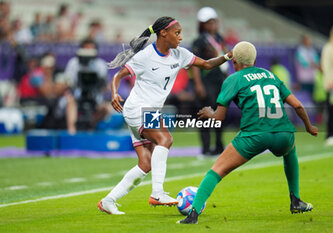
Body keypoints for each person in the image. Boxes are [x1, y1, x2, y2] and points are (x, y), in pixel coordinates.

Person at [97, 16, 233, 215]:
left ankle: (108, 201)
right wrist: (114, 92)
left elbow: (206, 64)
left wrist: (228, 56)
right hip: (138, 108)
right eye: (177, 33)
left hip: (148, 111)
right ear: (163, 33)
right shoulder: (145, 56)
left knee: (145, 163)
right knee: (165, 139)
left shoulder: (180, 54)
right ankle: (157, 193)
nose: (180, 37)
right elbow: (119, 75)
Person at [178, 41, 318, 224]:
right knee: (290, 152)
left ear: (234, 61)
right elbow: (297, 105)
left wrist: (209, 113)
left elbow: (218, 118)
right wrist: (308, 126)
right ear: (254, 59)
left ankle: (193, 214)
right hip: (283, 132)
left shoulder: (233, 79)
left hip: (254, 134)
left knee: (217, 170)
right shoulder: (270, 75)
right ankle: (296, 200)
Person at [192, 7, 229, 155]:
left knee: (220, 113)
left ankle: (219, 145)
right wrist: (198, 84)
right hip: (206, 82)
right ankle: (206, 147)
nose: (213, 25)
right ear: (203, 24)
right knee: (205, 115)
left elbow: (225, 60)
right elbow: (194, 65)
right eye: (209, 22)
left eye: (214, 21)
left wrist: (228, 80)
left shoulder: (220, 39)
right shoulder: (199, 41)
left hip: (220, 81)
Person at [64, 38, 110, 132]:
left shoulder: (100, 64)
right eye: (86, 48)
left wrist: (101, 84)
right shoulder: (74, 63)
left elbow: (105, 87)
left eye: (91, 48)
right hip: (77, 96)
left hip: (95, 97)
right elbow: (68, 82)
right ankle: (71, 132)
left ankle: (90, 126)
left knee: (107, 108)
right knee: (70, 102)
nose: (88, 51)